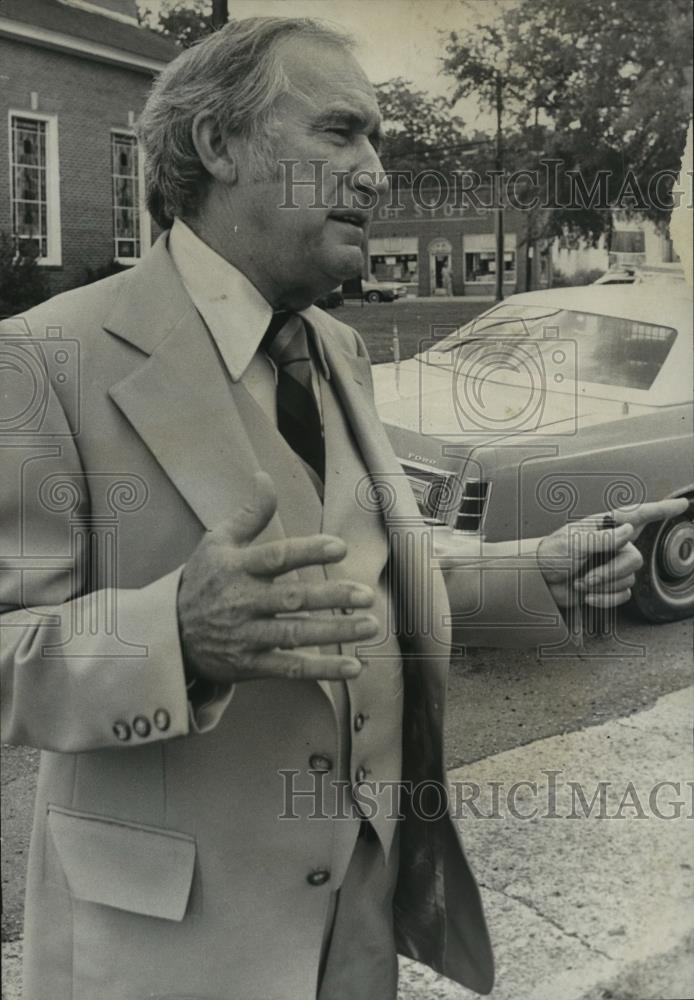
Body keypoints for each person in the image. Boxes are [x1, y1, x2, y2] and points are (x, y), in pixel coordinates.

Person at [0, 17, 684, 1000]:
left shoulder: (340, 351)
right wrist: (176, 638)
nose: (374, 172)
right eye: (339, 132)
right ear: (217, 144)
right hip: (166, 958)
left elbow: (362, 586)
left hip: (355, 943)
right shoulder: (40, 358)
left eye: (378, 143)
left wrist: (537, 569)